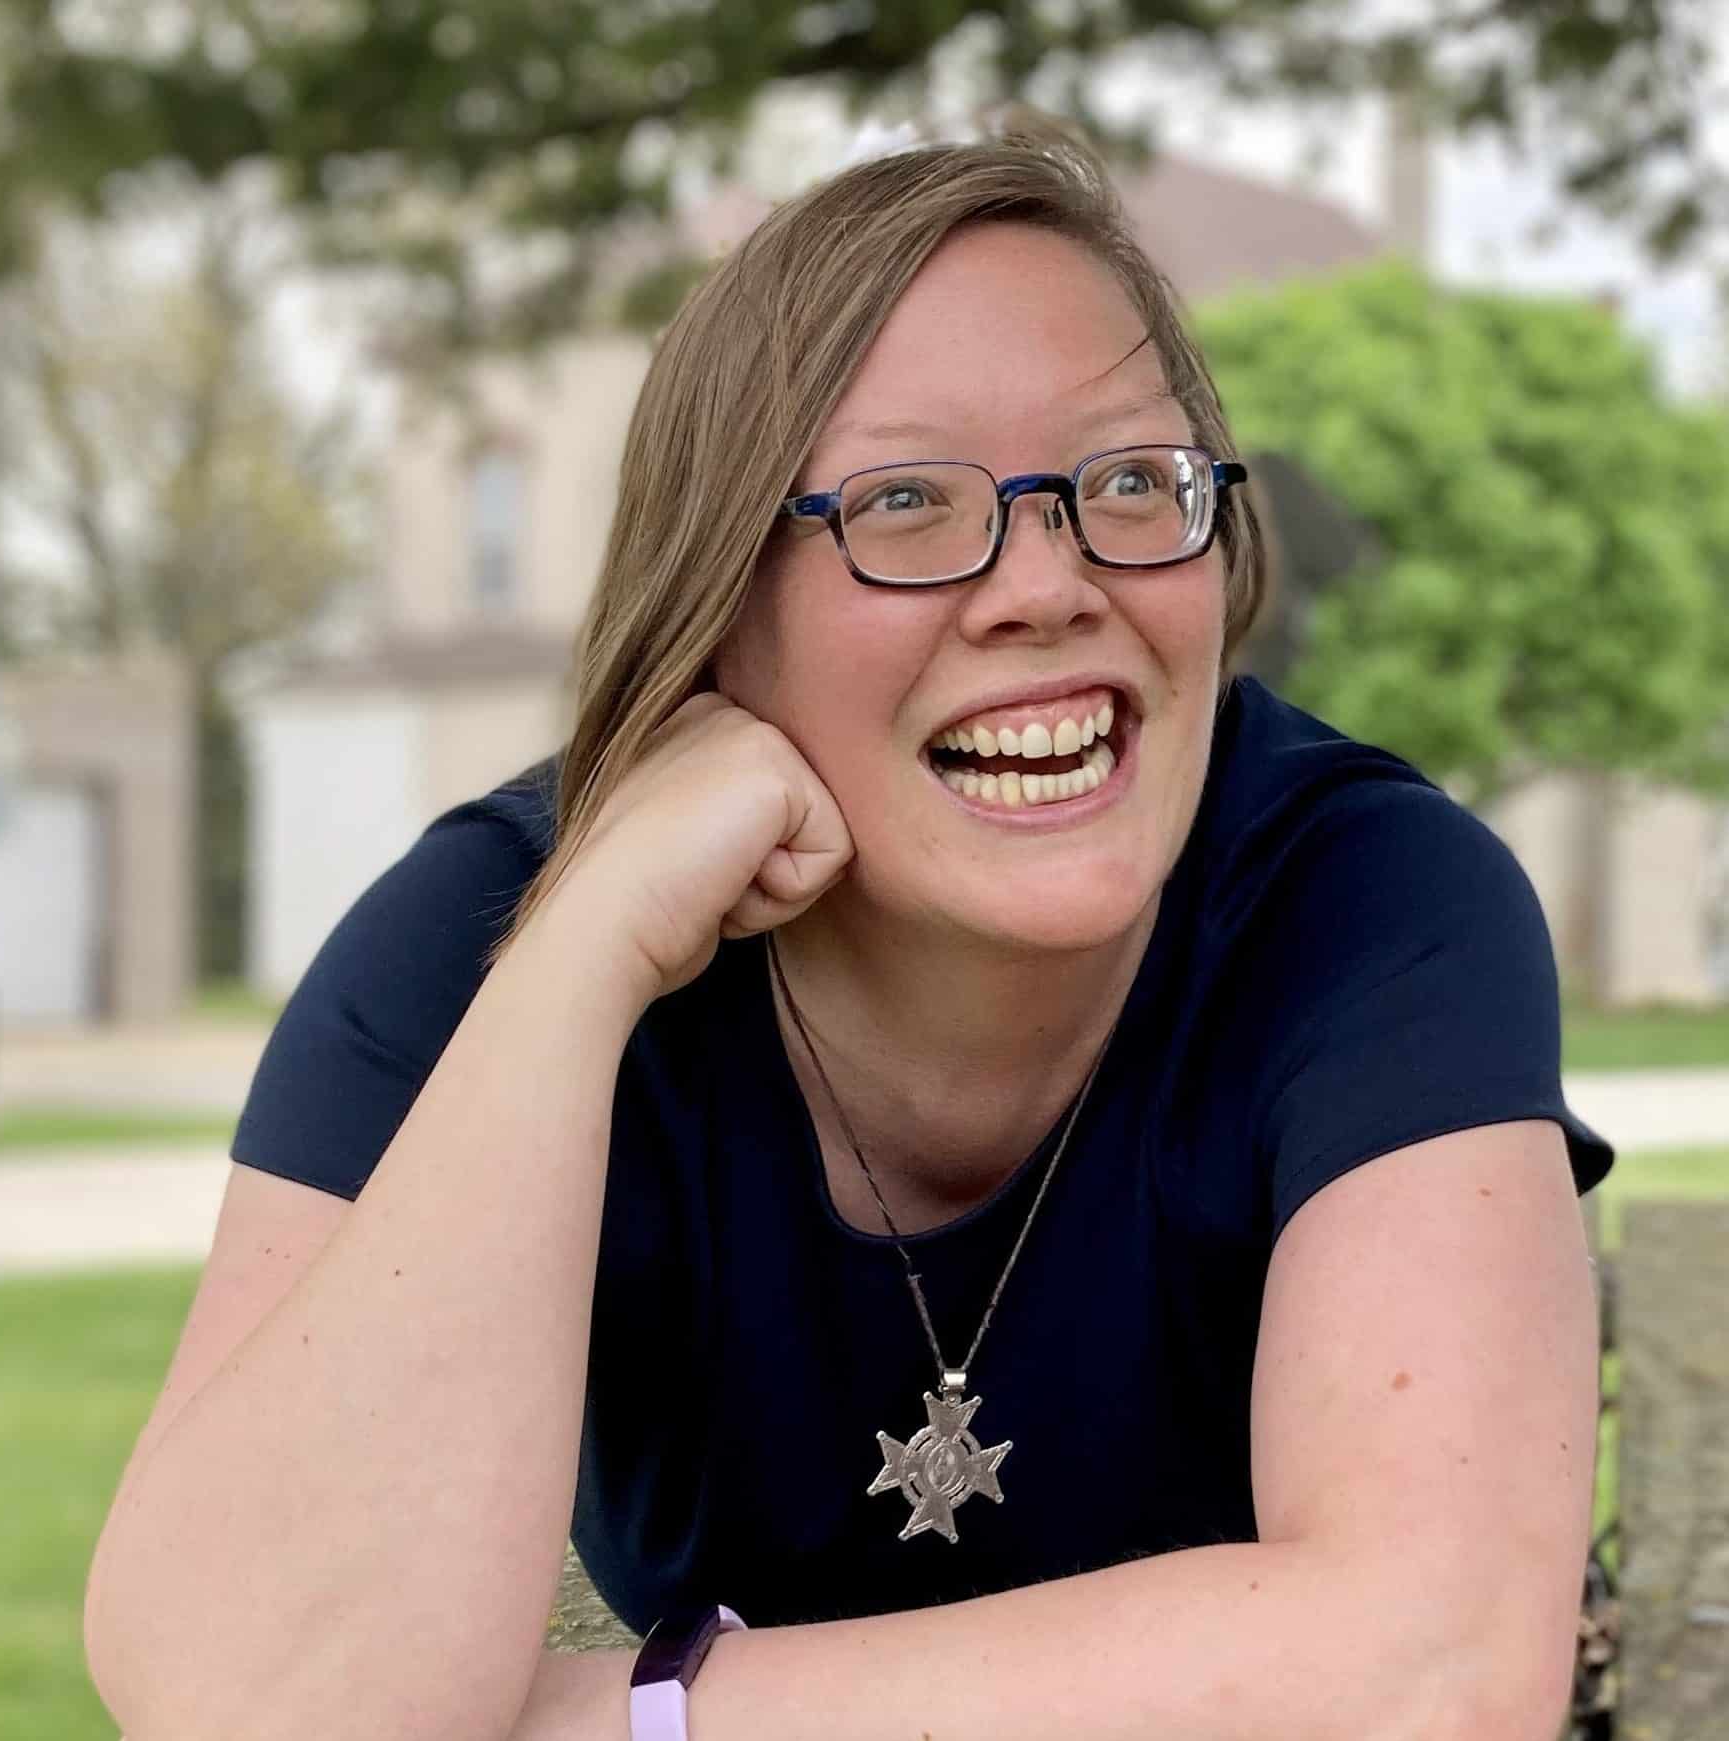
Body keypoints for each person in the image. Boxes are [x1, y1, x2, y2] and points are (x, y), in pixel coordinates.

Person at [84, 117, 1613, 1741]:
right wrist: (582, 955)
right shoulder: (478, 930)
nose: (1046, 581)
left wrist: (634, 1723)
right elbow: (242, 1699)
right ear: (718, 605)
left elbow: (1426, 1671)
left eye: (1128, 483)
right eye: (902, 503)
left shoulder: (1363, 898)